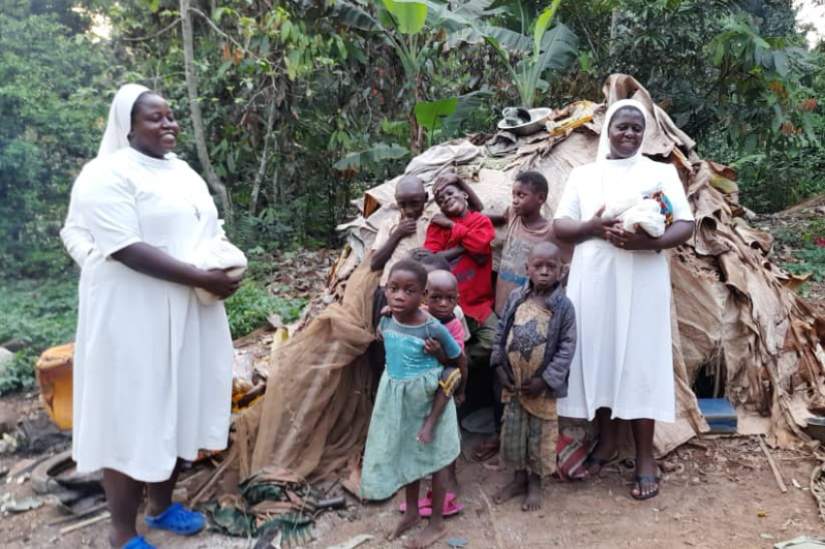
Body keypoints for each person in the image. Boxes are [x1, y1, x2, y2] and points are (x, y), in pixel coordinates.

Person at [61, 84, 241, 549]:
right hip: (132, 317)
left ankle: (161, 508)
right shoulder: (106, 174)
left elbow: (209, 225)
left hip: (186, 311)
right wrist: (202, 278)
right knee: (131, 412)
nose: (169, 125)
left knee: (178, 404)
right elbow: (125, 249)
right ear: (128, 125)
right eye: (155, 118)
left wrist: (222, 262)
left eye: (171, 116)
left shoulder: (182, 172)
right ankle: (123, 531)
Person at [553, 99, 695, 500]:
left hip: (643, 277)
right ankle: (608, 443)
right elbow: (562, 226)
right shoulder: (585, 175)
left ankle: (645, 458)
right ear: (608, 131)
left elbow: (684, 224)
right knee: (599, 355)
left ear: (643, 132)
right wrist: (593, 227)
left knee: (639, 360)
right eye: (622, 127)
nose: (629, 134)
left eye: (636, 127)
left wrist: (647, 243)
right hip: (594, 278)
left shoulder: (660, 172)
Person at [361, 260, 463, 549]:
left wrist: (459, 388)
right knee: (408, 452)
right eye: (393, 289)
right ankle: (413, 512)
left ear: (423, 295)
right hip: (398, 399)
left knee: (438, 459)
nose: (399, 296)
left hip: (432, 400)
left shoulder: (433, 328)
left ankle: (437, 524)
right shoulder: (386, 319)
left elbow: (459, 360)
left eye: (409, 291)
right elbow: (387, 336)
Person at [480, 170, 562, 462]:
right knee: (498, 369)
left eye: (522, 195)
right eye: (513, 194)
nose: (515, 201)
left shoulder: (551, 231)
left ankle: (525, 440)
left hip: (532, 319)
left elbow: (559, 269)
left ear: (541, 198)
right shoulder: (511, 217)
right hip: (504, 310)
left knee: (527, 375)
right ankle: (498, 431)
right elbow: (485, 216)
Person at [491, 242, 576, 512]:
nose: (544, 271)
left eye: (551, 267)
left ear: (561, 272)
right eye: (538, 266)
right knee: (514, 433)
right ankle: (518, 479)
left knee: (540, 436)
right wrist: (499, 366)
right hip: (515, 385)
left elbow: (566, 347)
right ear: (527, 268)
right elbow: (501, 332)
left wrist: (547, 380)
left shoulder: (563, 307)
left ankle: (536, 483)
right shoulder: (517, 297)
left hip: (541, 389)